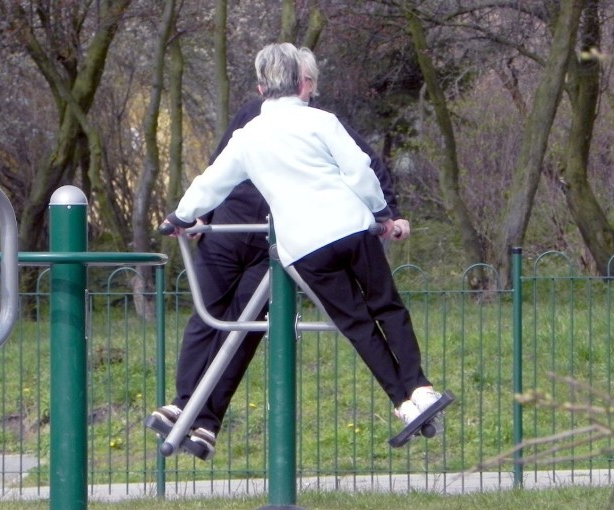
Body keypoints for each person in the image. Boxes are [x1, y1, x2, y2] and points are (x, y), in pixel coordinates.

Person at [161, 42, 448, 449]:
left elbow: (211, 182)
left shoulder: (247, 136)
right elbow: (361, 170)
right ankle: (420, 389)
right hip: (350, 228)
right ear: (301, 85)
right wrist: (382, 217)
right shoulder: (322, 121)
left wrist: (181, 216)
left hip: (306, 247)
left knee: (358, 324)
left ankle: (402, 404)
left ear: (261, 89)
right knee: (386, 306)